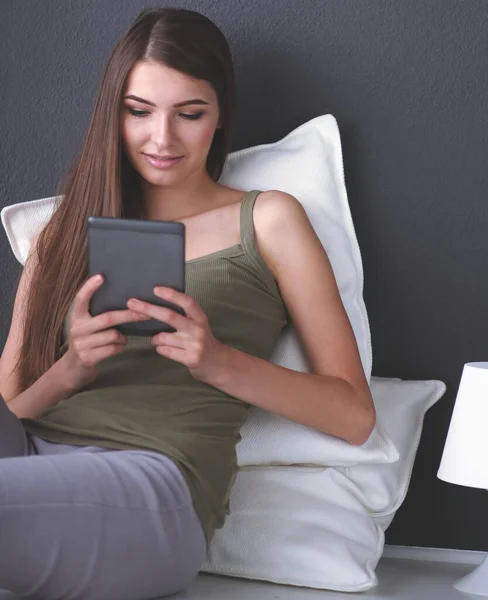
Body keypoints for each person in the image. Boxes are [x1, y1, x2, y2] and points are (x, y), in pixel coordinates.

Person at [0, 6, 375, 600]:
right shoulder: (61, 234)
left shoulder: (269, 219)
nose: (162, 139)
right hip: (27, 451)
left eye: (190, 113)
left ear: (220, 113)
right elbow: (11, 409)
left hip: (151, 487)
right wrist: (73, 367)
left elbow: (355, 416)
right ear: (113, 113)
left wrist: (217, 361)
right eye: (139, 112)